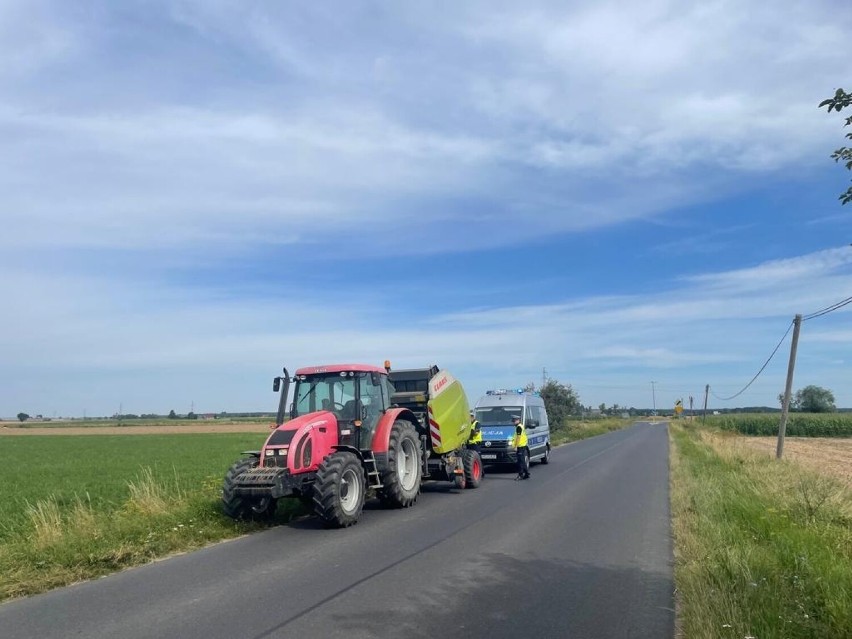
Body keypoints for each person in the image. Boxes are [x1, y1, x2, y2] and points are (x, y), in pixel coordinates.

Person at [512, 416, 530, 480]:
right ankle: (527, 473)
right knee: (522, 460)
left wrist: (516, 446)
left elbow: (518, 437)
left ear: (518, 420)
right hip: (522, 445)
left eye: (514, 421)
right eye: (513, 421)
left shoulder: (519, 427)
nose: (513, 422)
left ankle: (520, 475)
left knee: (520, 461)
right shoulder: (520, 426)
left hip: (520, 446)